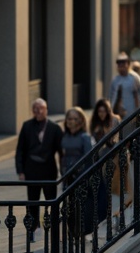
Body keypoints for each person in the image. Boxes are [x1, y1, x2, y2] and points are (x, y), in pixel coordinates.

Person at [15, 98, 63, 234]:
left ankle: (52, 227)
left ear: (46, 110)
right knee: (33, 202)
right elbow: (20, 150)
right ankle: (33, 228)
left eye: (41, 108)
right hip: (31, 171)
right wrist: (20, 171)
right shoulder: (26, 126)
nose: (38, 111)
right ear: (32, 110)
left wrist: (64, 170)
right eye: (35, 108)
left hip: (49, 170)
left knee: (51, 201)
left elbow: (62, 151)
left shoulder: (55, 128)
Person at [91, 97, 129, 211]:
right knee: (104, 184)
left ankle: (118, 206)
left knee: (116, 183)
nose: (101, 114)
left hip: (114, 154)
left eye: (104, 111)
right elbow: (94, 142)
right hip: (101, 156)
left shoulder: (114, 120)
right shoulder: (96, 123)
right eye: (99, 112)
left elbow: (118, 137)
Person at [108, 52, 140, 133]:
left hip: (132, 115)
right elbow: (110, 97)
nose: (121, 65)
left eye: (123, 62)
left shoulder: (134, 78)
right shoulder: (115, 80)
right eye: (119, 63)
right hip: (118, 116)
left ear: (128, 64)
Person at [60, 107, 94, 179]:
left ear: (81, 120)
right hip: (67, 175)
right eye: (69, 119)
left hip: (81, 177)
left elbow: (89, 160)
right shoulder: (64, 137)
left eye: (75, 119)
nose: (72, 121)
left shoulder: (85, 137)